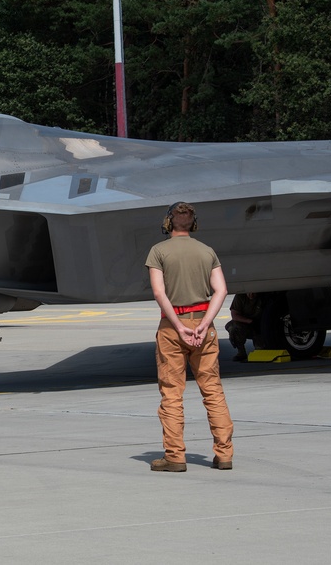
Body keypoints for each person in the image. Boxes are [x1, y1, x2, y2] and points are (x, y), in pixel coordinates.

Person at [144, 202, 234, 472]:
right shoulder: (207, 251)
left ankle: (175, 457)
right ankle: (224, 454)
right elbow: (220, 290)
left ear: (168, 223)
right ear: (194, 223)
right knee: (213, 390)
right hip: (203, 327)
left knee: (172, 393)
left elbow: (160, 293)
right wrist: (205, 324)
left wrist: (179, 326)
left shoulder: (158, 251)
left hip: (172, 328)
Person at [226, 292, 264, 362]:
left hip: (261, 325)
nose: (251, 295)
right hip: (245, 324)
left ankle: (260, 349)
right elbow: (235, 315)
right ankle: (241, 352)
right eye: (249, 292)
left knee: (261, 350)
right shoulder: (240, 297)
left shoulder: (263, 297)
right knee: (233, 328)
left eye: (254, 293)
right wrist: (250, 321)